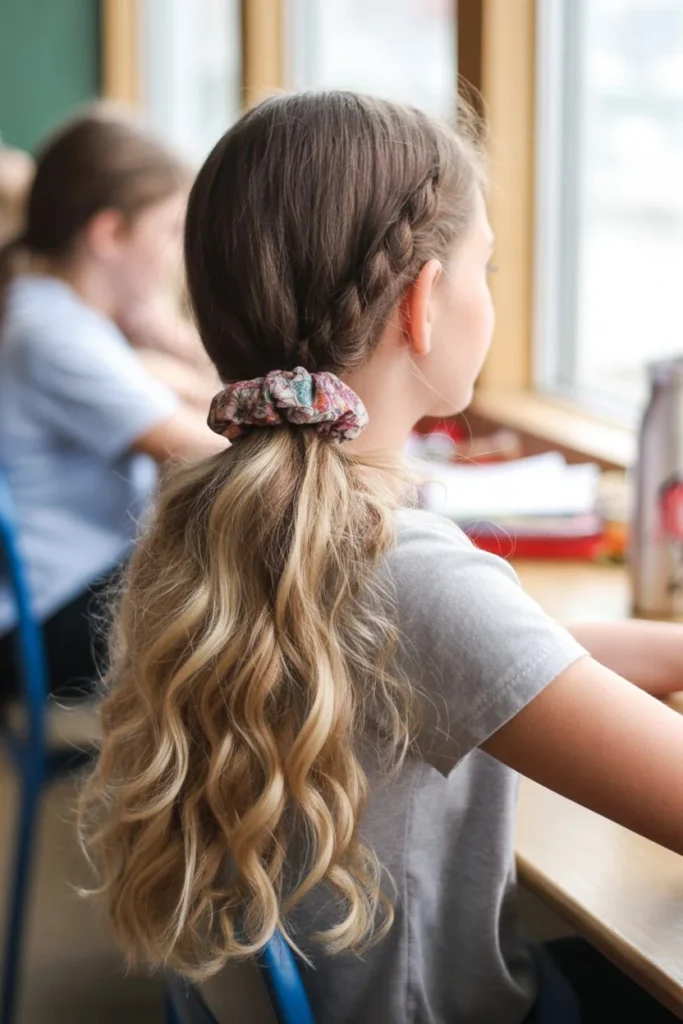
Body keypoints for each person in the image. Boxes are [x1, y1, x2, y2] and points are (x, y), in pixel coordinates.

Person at [79, 93, 683, 1024]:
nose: (493, 289)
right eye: (486, 265)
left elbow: (506, 654)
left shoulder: (215, 522)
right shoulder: (406, 571)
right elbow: (455, 633)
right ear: (425, 304)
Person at [0, 110, 225, 702]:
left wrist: (163, 333)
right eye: (169, 232)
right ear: (108, 236)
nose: (175, 255)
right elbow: (206, 445)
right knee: (238, 609)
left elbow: (202, 398)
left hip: (79, 588)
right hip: (49, 622)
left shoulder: (64, 315)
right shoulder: (53, 333)